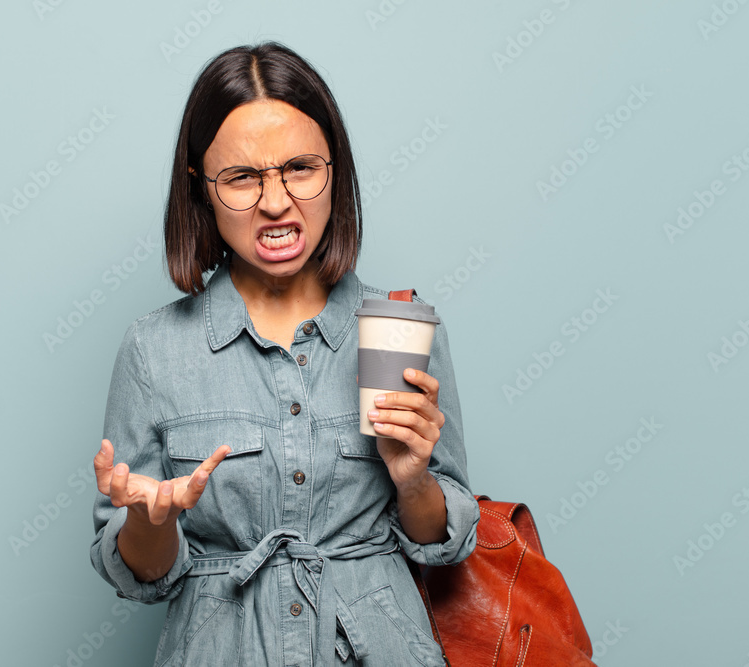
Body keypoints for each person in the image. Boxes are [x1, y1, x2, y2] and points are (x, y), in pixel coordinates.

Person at [90, 41, 479, 666]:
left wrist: (413, 481)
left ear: (335, 170)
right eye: (241, 177)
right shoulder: (152, 351)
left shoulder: (398, 331)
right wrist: (151, 522)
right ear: (202, 189)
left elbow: (448, 543)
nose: (275, 202)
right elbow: (141, 573)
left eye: (300, 168)